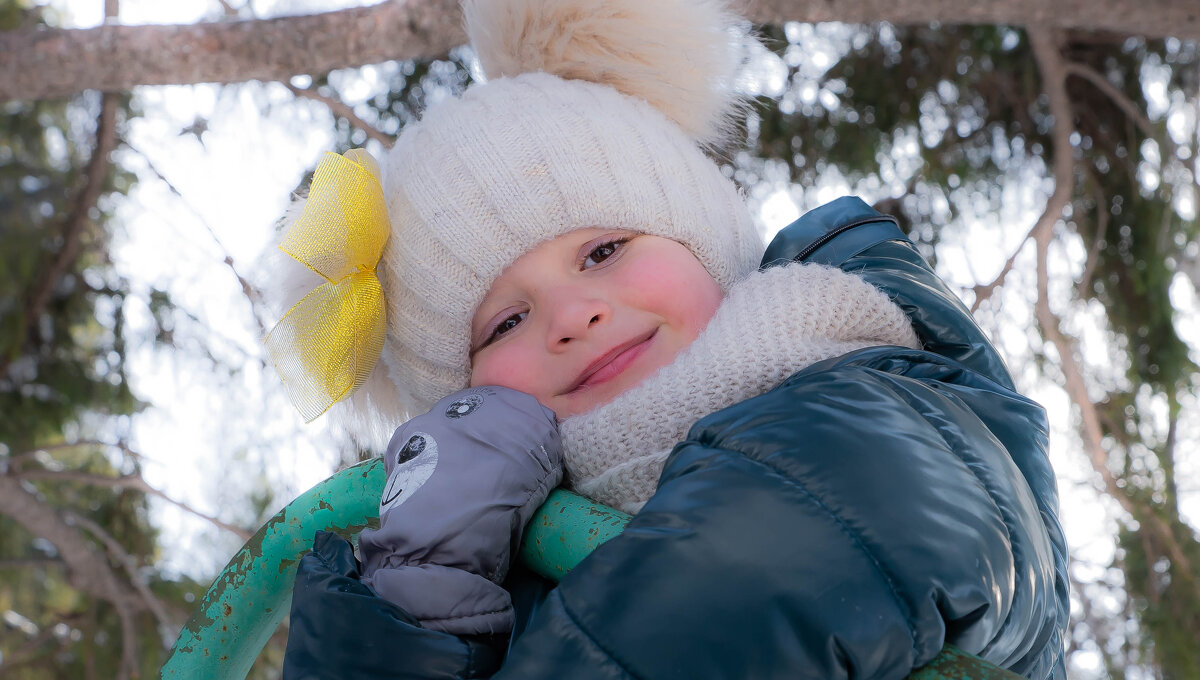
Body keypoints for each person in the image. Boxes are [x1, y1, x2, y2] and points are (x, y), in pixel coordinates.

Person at [265, 0, 1070, 678]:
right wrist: (417, 598)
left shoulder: (874, 397)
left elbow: (787, 558)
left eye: (605, 251)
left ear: (707, 241)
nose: (573, 315)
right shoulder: (502, 589)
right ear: (461, 403)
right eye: (504, 322)